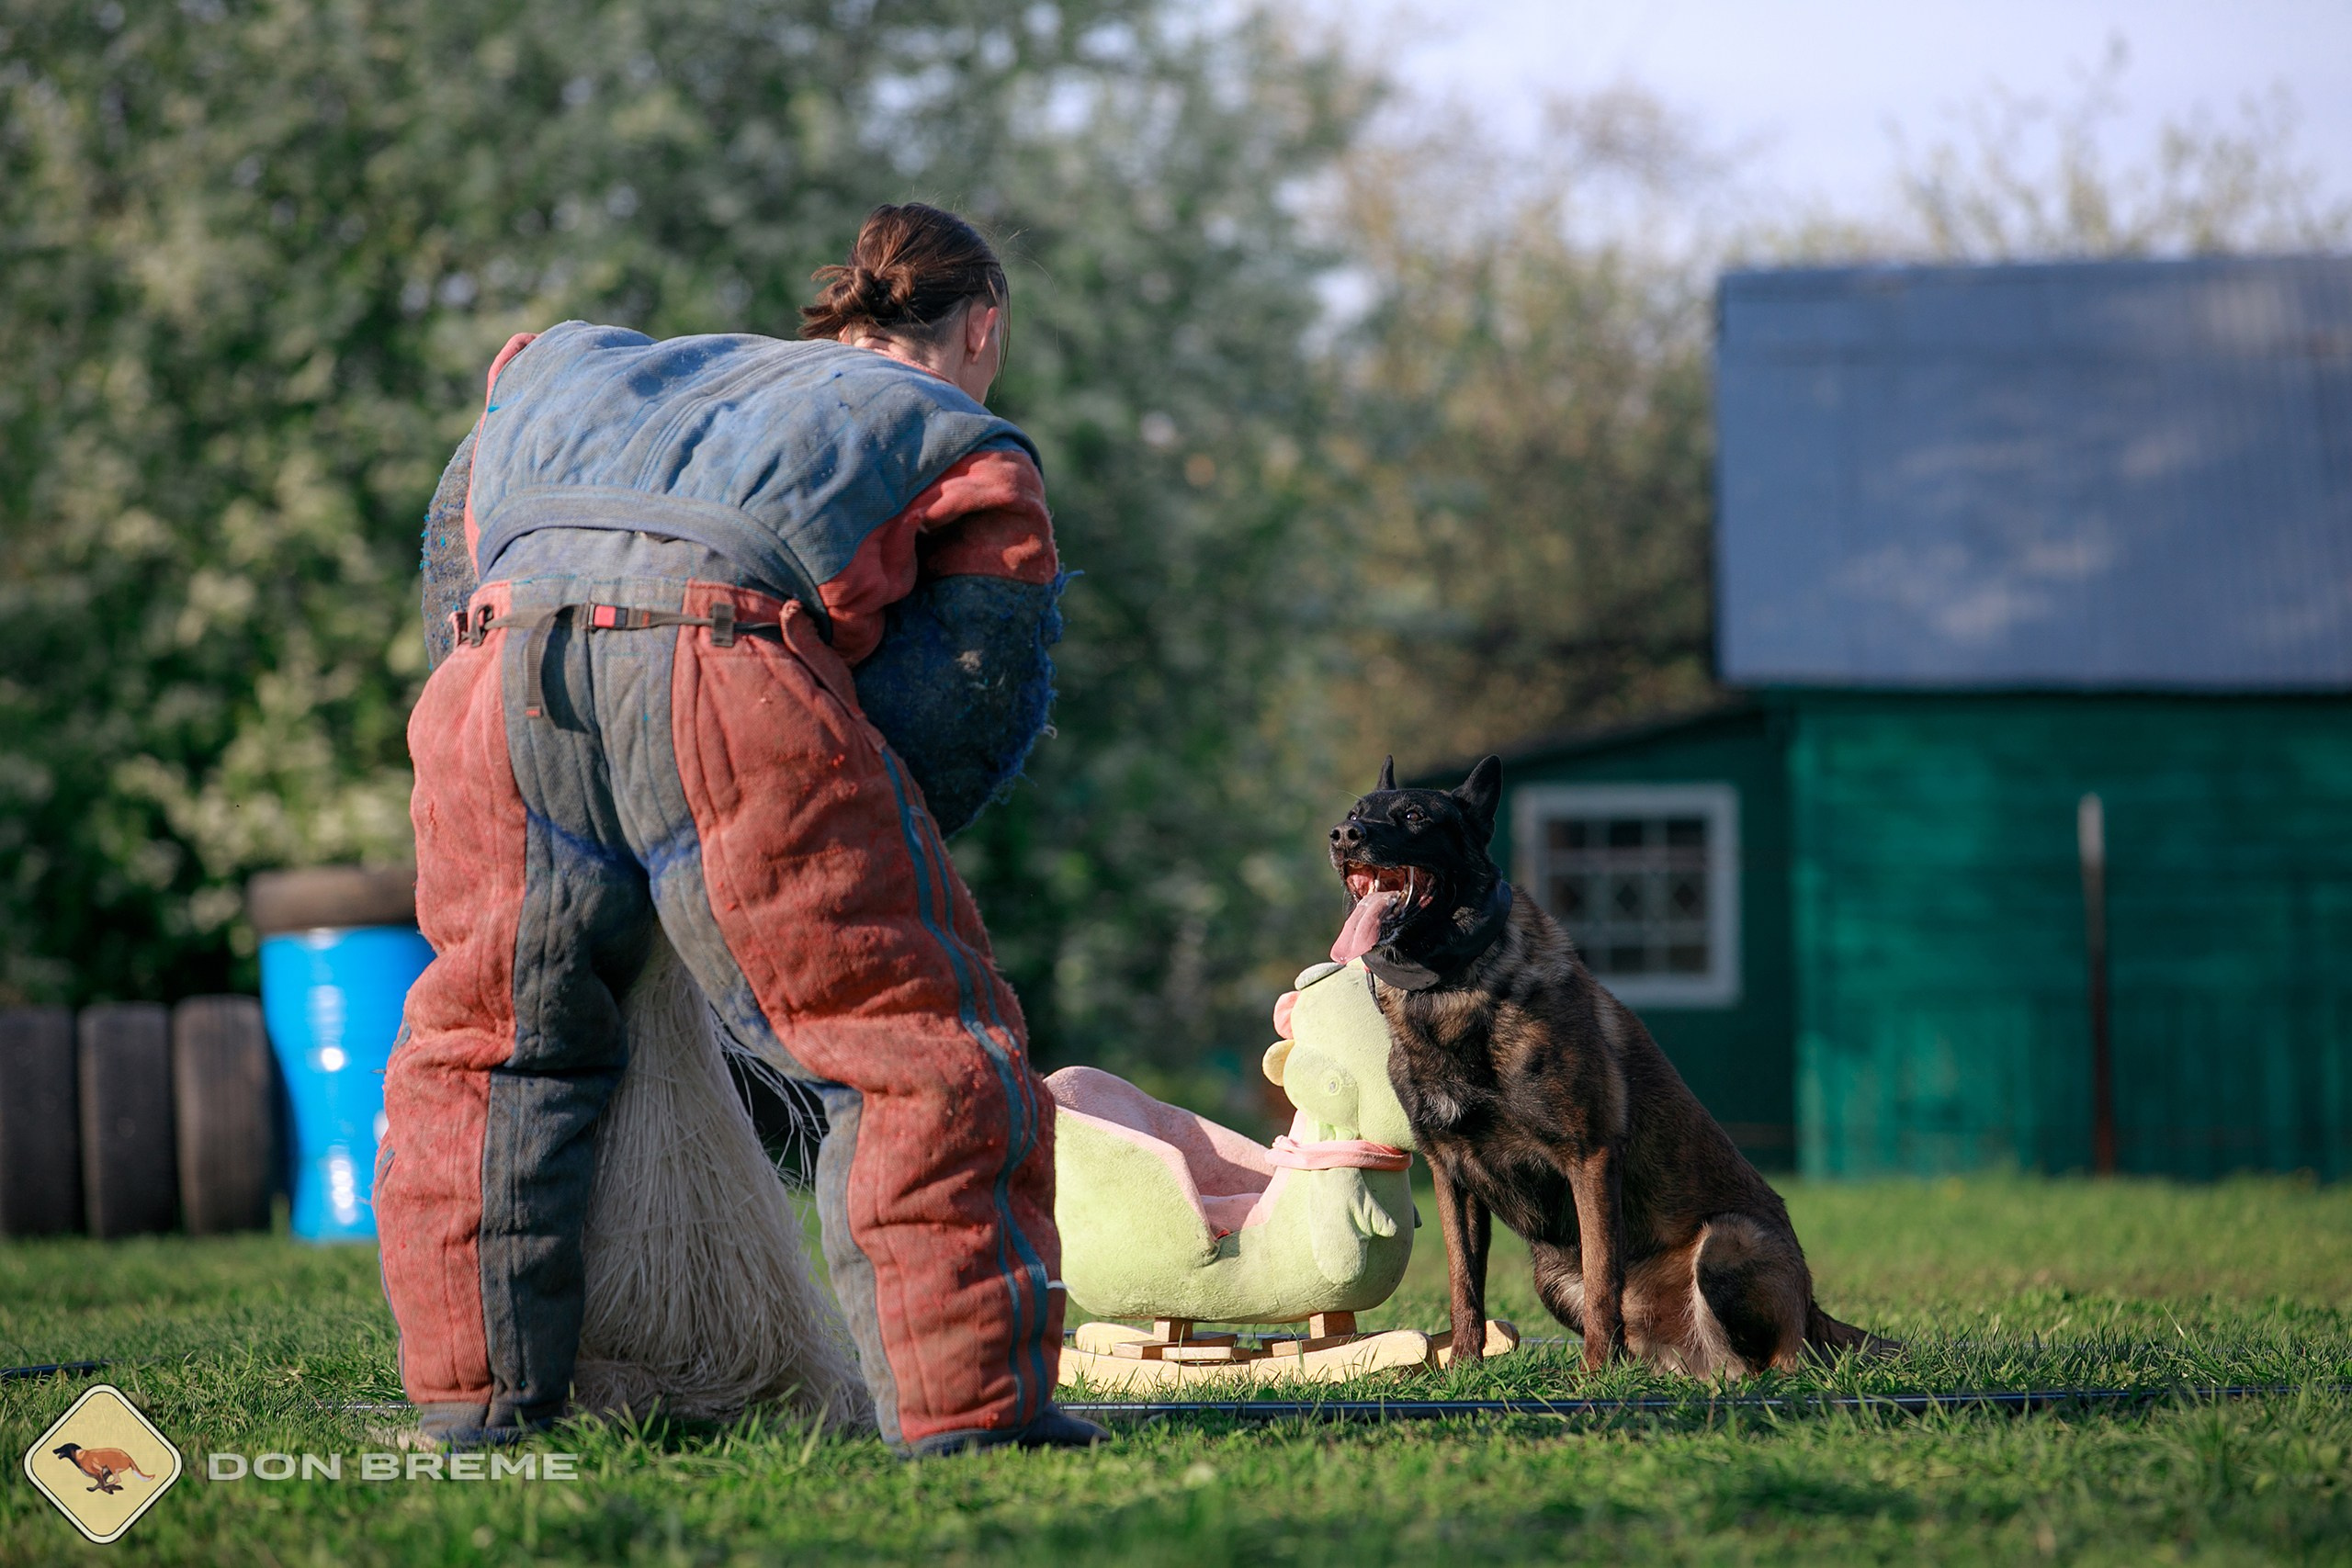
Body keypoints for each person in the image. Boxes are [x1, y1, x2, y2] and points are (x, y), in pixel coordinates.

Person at [380, 203, 1100, 1456]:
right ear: (984, 325)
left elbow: (462, 520)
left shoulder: (611, 370)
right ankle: (970, 1409)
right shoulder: (953, 435)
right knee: (908, 1048)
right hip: (726, 673)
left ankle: (474, 1401)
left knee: (488, 1044)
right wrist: (865, 840)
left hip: (490, 679)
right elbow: (972, 691)